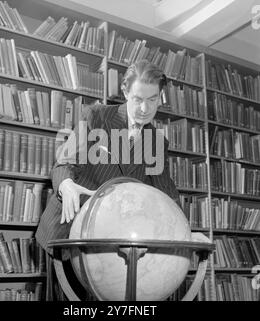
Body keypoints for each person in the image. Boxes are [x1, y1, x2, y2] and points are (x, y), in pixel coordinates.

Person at [35, 59, 181, 300]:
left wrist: (185, 231)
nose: (145, 108)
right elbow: (65, 161)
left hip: (114, 242)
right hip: (70, 231)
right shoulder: (97, 117)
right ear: (125, 91)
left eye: (152, 100)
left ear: (160, 96)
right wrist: (66, 184)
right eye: (137, 99)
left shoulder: (157, 141)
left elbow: (166, 194)